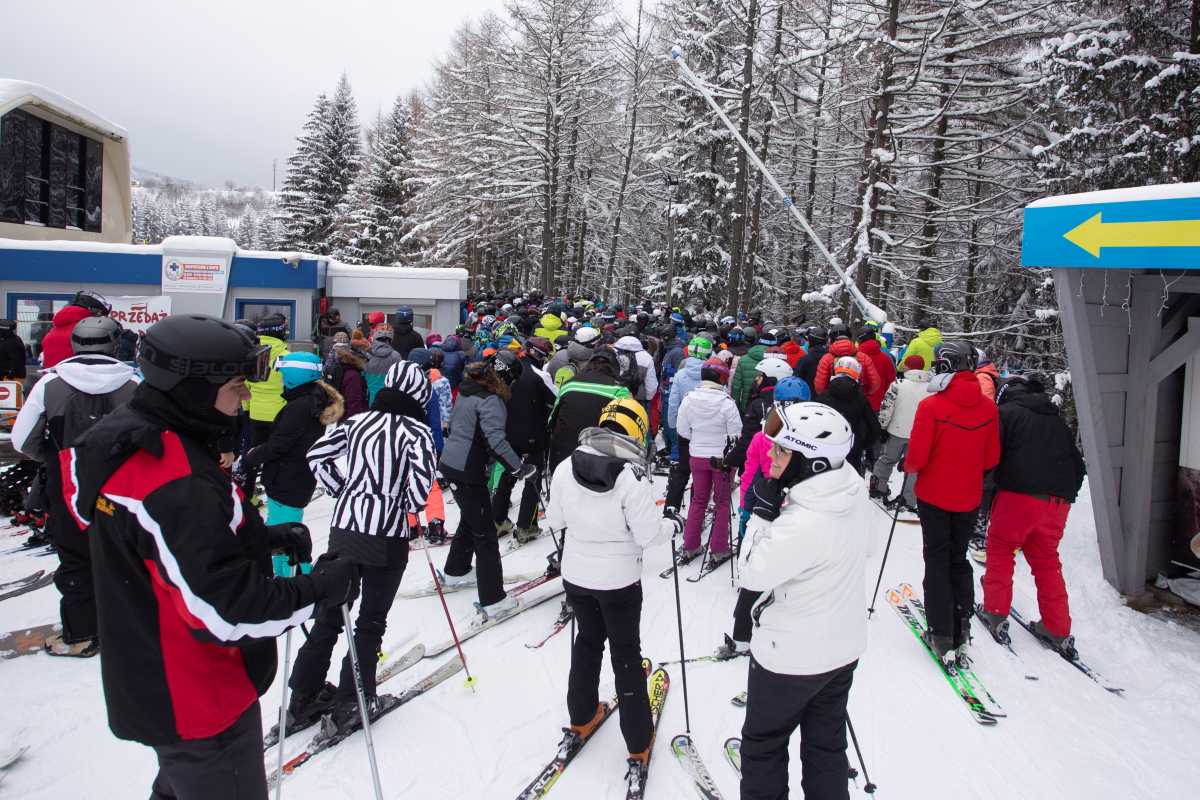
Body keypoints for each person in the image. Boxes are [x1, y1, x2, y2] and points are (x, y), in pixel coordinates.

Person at [60, 314, 353, 798]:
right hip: (199, 696)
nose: (244, 399)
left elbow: (177, 552)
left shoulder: (150, 437)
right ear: (191, 388)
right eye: (237, 385)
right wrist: (319, 589)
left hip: (162, 678)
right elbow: (227, 610)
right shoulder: (173, 479)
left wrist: (267, 539)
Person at [737, 401, 871, 800]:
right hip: (841, 647)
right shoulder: (847, 485)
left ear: (812, 462)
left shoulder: (805, 522)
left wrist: (762, 514)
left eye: (781, 450)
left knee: (763, 744)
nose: (771, 456)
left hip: (790, 658)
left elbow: (752, 574)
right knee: (826, 746)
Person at [298, 361, 438, 734]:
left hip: (345, 527)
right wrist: (405, 503)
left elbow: (317, 456)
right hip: (386, 535)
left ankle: (302, 696)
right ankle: (351, 700)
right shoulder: (417, 431)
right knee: (370, 622)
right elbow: (420, 490)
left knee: (330, 613)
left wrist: (341, 488)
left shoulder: (357, 422)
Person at [545, 397, 676, 783]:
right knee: (625, 654)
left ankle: (581, 715)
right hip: (618, 581)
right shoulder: (632, 477)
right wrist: (673, 524)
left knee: (587, 642)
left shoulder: (567, 465)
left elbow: (554, 518)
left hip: (577, 575)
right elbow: (649, 535)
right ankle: (637, 741)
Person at [11, 315, 139, 657]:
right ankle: (121, 629)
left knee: (74, 558)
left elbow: (23, 440)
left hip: (67, 483)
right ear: (116, 342)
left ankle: (82, 633)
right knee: (122, 557)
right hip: (121, 487)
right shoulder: (134, 385)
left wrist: (53, 458)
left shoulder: (50, 384)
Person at [903, 341, 1000, 666]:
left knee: (937, 559)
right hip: (968, 497)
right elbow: (992, 457)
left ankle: (941, 631)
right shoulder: (988, 408)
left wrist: (911, 466)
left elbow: (916, 459)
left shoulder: (932, 407)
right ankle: (961, 625)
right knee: (958, 559)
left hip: (934, 495)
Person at [977, 374, 1086, 658]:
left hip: (1018, 495)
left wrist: (984, 492)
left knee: (1000, 550)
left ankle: (995, 611)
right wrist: (1065, 494)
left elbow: (990, 456)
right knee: (1047, 561)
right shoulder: (1056, 421)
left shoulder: (1005, 414)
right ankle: (1058, 627)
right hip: (1057, 503)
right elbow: (1078, 466)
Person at [439, 354, 536, 621]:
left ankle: (456, 570)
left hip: (453, 463)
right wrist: (519, 468)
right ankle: (493, 599)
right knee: (485, 534)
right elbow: (496, 440)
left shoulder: (469, 390)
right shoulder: (490, 400)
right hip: (468, 470)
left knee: (472, 521)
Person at [237, 351, 343, 528]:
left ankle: (286, 557)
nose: (281, 380)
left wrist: (250, 456)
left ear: (295, 377)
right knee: (286, 529)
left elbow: (279, 445)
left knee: (282, 534)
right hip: (297, 478)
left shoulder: (299, 407)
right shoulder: (313, 400)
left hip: (286, 481)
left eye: (284, 375)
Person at [676, 360, 741, 569]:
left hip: (697, 455)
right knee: (721, 503)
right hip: (721, 459)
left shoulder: (689, 400)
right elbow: (736, 434)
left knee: (698, 499)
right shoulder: (726, 403)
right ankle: (719, 548)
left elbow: (683, 431)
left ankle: (690, 544)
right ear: (722, 378)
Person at [492, 342, 557, 543]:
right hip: (533, 435)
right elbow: (556, 401)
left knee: (508, 474)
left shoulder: (507, 368)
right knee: (533, 478)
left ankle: (498, 519)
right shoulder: (539, 374)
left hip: (508, 431)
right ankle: (525, 525)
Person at [547, 348, 631, 472]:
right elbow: (626, 428)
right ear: (615, 367)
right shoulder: (620, 390)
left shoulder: (569, 385)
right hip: (599, 457)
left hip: (562, 455)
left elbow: (551, 421)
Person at [871, 354, 929, 510]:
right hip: (918, 435)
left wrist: (882, 427)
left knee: (887, 460)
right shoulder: (930, 388)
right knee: (913, 467)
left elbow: (886, 407)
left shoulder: (898, 384)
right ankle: (908, 499)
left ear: (908, 367)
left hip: (896, 431)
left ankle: (878, 487)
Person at [243, 313, 291, 493]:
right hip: (279, 413)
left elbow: (245, 383)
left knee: (253, 454)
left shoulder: (252, 354)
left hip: (256, 412)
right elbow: (290, 384)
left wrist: (247, 409)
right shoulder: (286, 356)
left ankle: (248, 492)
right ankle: (274, 490)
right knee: (276, 454)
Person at [816, 357, 881, 476]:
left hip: (826, 450)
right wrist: (862, 444)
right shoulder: (861, 399)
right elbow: (874, 428)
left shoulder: (823, 397)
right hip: (853, 450)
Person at [40, 290, 111, 368]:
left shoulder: (55, 328)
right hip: (77, 377)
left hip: (52, 377)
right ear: (93, 310)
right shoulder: (88, 331)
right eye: (100, 313)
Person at [812, 323, 881, 399]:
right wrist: (865, 393)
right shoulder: (863, 357)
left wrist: (827, 397)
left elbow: (819, 387)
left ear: (831, 339)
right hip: (856, 400)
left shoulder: (826, 359)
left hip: (833, 401)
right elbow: (875, 383)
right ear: (849, 337)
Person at [857, 329, 896, 412]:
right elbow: (891, 381)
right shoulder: (886, 358)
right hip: (876, 403)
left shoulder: (854, 357)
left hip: (856, 403)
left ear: (860, 340)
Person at [364, 326, 404, 404]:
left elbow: (363, 377)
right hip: (390, 400)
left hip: (370, 399)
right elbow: (401, 378)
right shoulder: (396, 356)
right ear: (390, 341)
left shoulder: (367, 355)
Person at [794, 326, 827, 395]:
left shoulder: (804, 360)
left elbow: (796, 381)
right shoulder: (830, 358)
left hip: (808, 398)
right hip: (826, 399)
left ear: (811, 341)